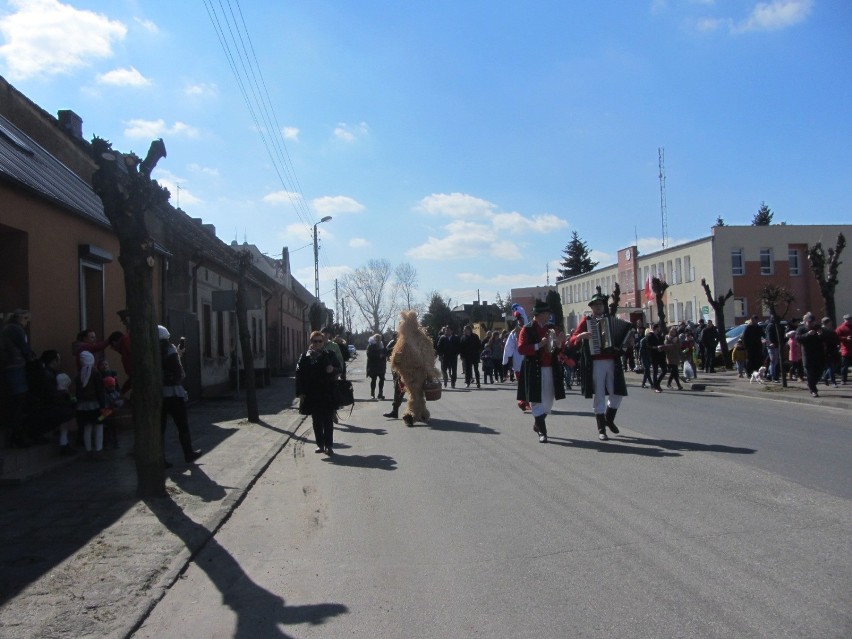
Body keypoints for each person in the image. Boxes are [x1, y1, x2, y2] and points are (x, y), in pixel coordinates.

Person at [569, 293, 629, 441]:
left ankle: (609, 419)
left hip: (612, 362)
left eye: (601, 304)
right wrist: (581, 336)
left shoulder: (611, 320)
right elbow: (572, 340)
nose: (598, 307)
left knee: (618, 392)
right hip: (596, 362)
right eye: (596, 305)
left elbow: (624, 339)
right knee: (600, 394)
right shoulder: (586, 321)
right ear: (591, 307)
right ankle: (601, 429)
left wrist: (629, 341)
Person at [518, 301, 564, 442]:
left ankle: (538, 423)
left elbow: (557, 350)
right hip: (534, 367)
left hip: (550, 367)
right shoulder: (527, 329)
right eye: (546, 314)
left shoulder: (551, 328)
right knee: (536, 400)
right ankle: (543, 432)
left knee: (549, 402)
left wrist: (560, 343)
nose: (548, 316)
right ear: (539, 315)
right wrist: (539, 344)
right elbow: (521, 349)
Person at [159, 325, 202, 466]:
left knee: (160, 428)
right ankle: (188, 453)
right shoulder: (170, 349)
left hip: (158, 394)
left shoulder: (150, 351)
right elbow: (178, 372)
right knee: (182, 424)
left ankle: (160, 459)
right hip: (173, 392)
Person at [297, 330, 341, 454]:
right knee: (316, 421)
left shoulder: (330, 354)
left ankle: (329, 446)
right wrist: (300, 392)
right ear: (311, 342)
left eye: (320, 341)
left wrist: (332, 369)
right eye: (315, 341)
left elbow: (340, 369)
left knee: (327, 420)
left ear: (323, 342)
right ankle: (320, 445)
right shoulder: (305, 356)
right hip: (312, 393)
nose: (317, 344)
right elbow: (299, 374)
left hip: (327, 392)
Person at [1, 309, 36, 447]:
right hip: (15, 365)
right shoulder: (15, 329)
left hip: (12, 365)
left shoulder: (9, 328)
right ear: (23, 318)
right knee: (19, 399)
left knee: (18, 400)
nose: (28, 323)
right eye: (27, 320)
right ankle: (16, 434)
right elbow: (24, 348)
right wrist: (32, 359)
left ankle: (16, 433)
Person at [76, 351, 106, 459]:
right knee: (99, 427)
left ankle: (88, 451)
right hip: (95, 404)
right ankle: (99, 450)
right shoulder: (95, 373)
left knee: (87, 428)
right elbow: (100, 391)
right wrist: (103, 405)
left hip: (82, 406)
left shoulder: (79, 374)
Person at [796, 313, 826, 397]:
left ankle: (811, 384)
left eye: (812, 322)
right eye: (809, 322)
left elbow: (824, 339)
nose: (811, 324)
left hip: (819, 354)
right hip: (808, 355)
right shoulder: (801, 329)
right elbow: (798, 338)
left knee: (819, 373)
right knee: (810, 373)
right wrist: (807, 334)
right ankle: (813, 390)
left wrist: (821, 335)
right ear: (805, 322)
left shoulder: (818, 328)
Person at [459, 325, 482, 389]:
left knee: (476, 370)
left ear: (469, 330)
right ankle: (467, 382)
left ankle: (478, 382)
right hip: (466, 357)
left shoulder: (475, 336)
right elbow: (461, 348)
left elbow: (479, 345)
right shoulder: (463, 338)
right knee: (467, 370)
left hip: (475, 356)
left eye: (465, 329)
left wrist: (478, 353)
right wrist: (461, 355)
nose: (464, 331)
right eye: (464, 329)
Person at [365, 333, 387, 399]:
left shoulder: (382, 345)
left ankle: (380, 393)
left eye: (379, 338)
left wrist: (384, 355)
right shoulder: (370, 345)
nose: (379, 340)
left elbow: (386, 352)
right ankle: (372, 394)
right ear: (374, 339)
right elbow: (369, 354)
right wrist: (378, 356)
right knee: (373, 380)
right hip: (373, 365)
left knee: (382, 379)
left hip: (381, 366)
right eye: (377, 338)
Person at [820, 317, 840, 387]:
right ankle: (833, 382)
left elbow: (836, 338)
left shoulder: (831, 330)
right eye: (830, 322)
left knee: (833, 366)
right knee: (831, 366)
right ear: (827, 322)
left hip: (833, 349)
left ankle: (825, 378)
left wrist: (837, 344)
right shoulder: (822, 330)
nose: (831, 323)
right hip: (827, 350)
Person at [837, 314, 852, 385]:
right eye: (847, 319)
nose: (848, 321)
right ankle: (843, 379)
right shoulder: (841, 328)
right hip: (845, 350)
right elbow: (836, 337)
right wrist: (845, 338)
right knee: (844, 367)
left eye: (850, 319)